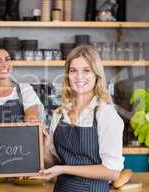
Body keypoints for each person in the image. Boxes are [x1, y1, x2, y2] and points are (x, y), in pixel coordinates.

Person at [40, 45, 124, 192]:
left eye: (86, 70)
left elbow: (112, 172)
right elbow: (53, 164)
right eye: (73, 71)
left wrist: (64, 169)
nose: (79, 77)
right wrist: (45, 147)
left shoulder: (105, 113)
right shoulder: (60, 113)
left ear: (96, 75)